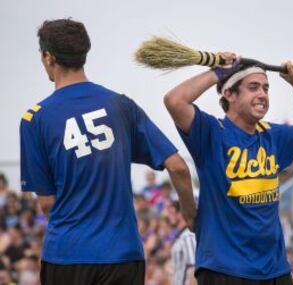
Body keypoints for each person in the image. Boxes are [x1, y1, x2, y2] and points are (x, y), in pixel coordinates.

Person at [20, 18, 196, 285]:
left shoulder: (35, 119)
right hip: (123, 255)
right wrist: (191, 216)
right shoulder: (121, 105)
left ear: (48, 57)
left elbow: (46, 203)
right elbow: (178, 167)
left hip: (67, 255)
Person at [164, 53, 293, 284]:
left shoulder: (274, 135)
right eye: (253, 87)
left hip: (275, 270)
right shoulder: (211, 132)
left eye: (265, 88)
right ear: (229, 94)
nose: (262, 94)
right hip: (224, 269)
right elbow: (175, 100)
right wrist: (218, 72)